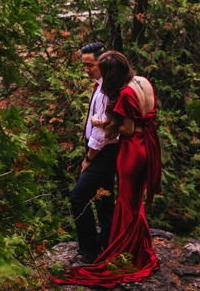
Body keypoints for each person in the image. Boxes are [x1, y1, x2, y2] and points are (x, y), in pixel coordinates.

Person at [54, 51, 162, 288]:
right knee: (129, 202)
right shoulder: (143, 82)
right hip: (147, 146)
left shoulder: (123, 93)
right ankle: (127, 247)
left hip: (131, 150)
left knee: (124, 202)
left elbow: (128, 129)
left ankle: (126, 252)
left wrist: (101, 123)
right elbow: (147, 117)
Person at [70, 42, 120, 264]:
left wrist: (88, 160)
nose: (87, 70)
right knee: (104, 199)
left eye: (90, 65)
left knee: (78, 197)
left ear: (103, 62)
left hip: (102, 153)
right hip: (102, 152)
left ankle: (90, 249)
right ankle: (108, 246)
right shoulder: (102, 86)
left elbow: (101, 133)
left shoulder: (107, 91)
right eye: (84, 66)